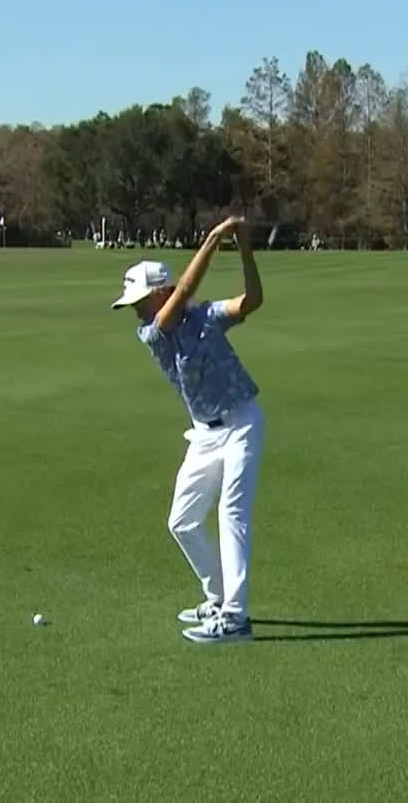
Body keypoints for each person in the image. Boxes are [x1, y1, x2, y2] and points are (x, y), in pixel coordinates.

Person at [110, 215, 265, 644]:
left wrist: (245, 246)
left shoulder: (206, 317)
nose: (137, 310)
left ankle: (234, 618)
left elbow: (251, 300)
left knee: (231, 512)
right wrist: (215, 238)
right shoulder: (153, 334)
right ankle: (217, 597)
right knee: (181, 521)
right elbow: (184, 292)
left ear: (157, 292)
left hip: (242, 423)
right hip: (205, 434)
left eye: (141, 300)